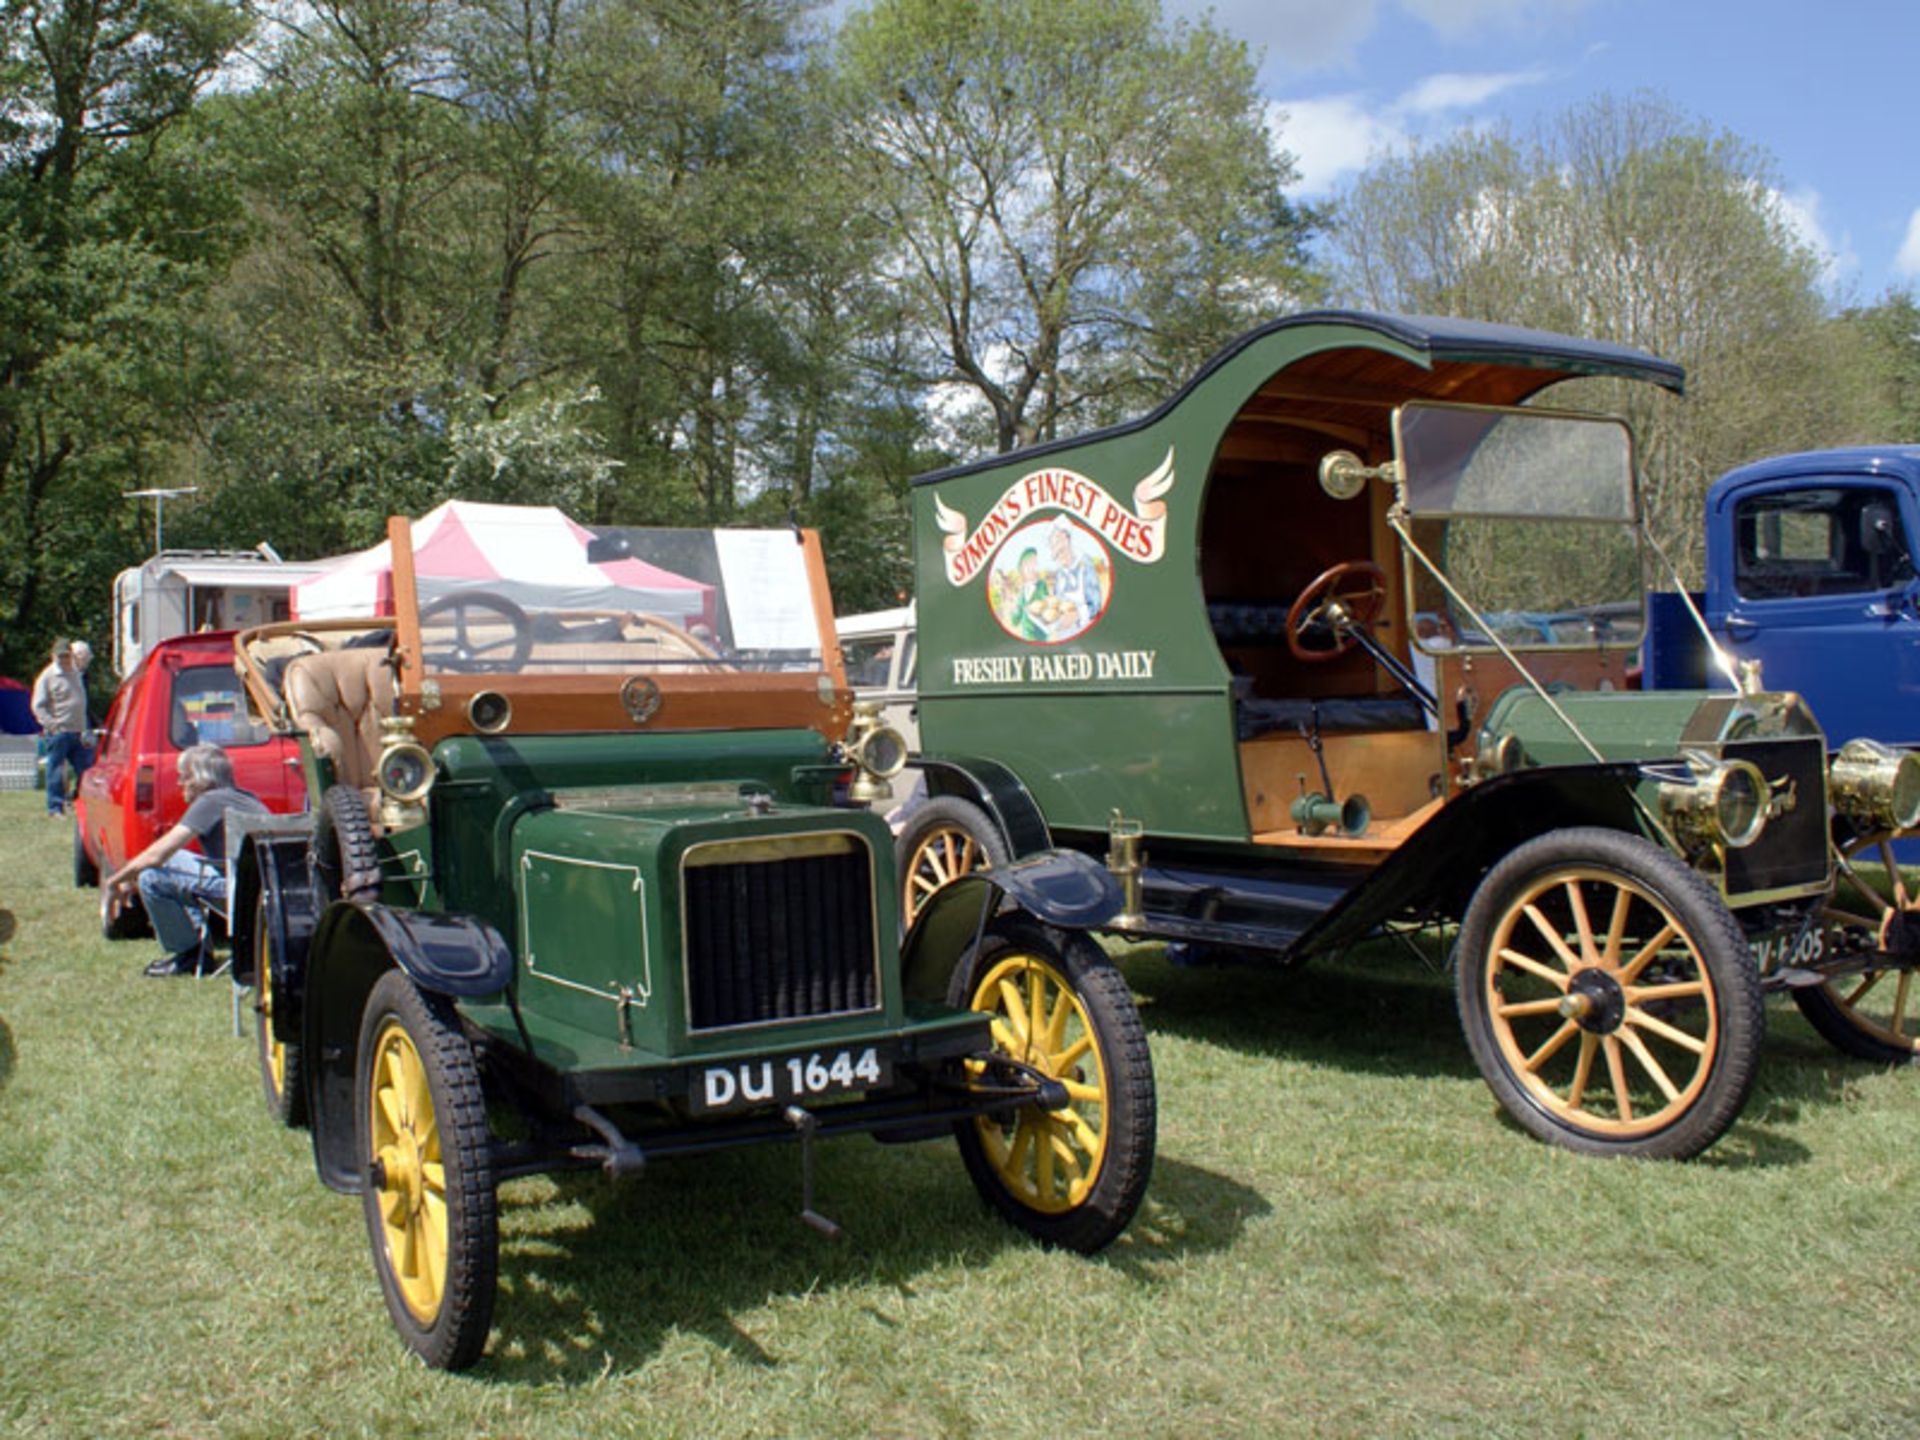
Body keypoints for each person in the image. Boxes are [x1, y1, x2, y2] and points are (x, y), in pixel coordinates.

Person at [104, 743, 268, 978]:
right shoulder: (246, 798)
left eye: (184, 777)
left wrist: (114, 881)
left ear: (202, 780)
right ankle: (197, 949)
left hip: (237, 893)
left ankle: (189, 955)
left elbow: (158, 854)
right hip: (262, 890)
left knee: (152, 878)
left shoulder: (210, 801)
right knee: (173, 861)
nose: (180, 784)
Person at [31, 638, 91, 818]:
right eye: (61, 656)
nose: (64, 660)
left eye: (67, 656)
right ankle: (55, 808)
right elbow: (38, 706)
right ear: (53, 656)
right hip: (59, 732)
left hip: (78, 731)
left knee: (85, 769)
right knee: (56, 770)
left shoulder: (75, 673)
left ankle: (80, 802)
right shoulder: (47, 676)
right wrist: (52, 725)